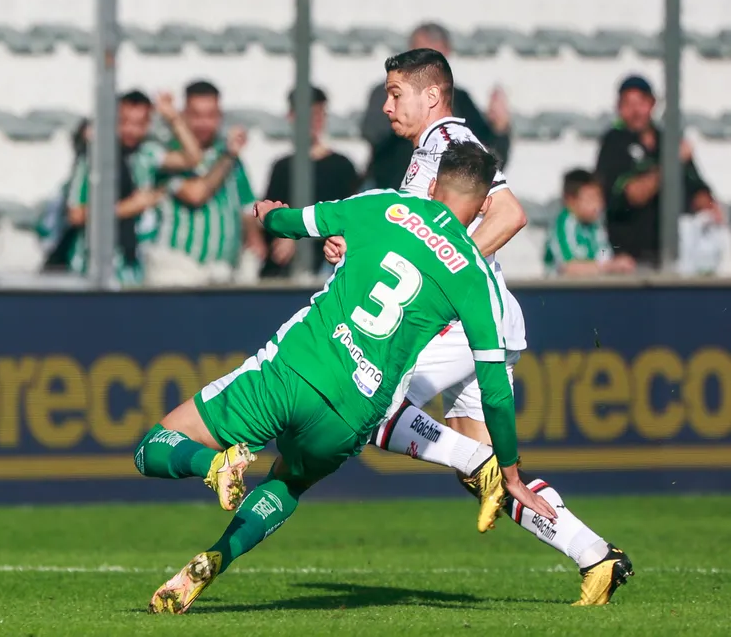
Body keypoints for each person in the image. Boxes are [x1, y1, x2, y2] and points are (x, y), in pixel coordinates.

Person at [134, 142, 556, 615]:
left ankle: (215, 467)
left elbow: (289, 224)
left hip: (296, 369)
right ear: (481, 208)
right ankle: (218, 557)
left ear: (433, 185)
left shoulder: (384, 205)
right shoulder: (478, 279)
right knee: (289, 484)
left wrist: (267, 212)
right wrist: (512, 474)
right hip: (353, 412)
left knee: (154, 446)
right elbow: (496, 392)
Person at [326, 50, 633, 605]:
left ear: (432, 95)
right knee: (484, 475)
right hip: (480, 322)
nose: (386, 105)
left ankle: (491, 471)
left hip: (463, 325)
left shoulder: (449, 143)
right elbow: (420, 235)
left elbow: (509, 213)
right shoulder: (427, 149)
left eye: (396, 93)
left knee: (366, 405)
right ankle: (596, 556)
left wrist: (449, 274)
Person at [36, 90, 203, 284]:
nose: (130, 130)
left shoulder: (146, 155)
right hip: (92, 270)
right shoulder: (94, 158)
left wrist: (173, 118)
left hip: (133, 269)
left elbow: (193, 158)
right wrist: (129, 207)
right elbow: (76, 214)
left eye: (139, 124)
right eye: (124, 122)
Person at [361, 23, 511, 190]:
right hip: (390, 194)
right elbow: (373, 134)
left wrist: (500, 129)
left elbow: (488, 162)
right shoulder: (386, 92)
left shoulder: (459, 99)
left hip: (439, 201)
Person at [145, 81, 263, 287]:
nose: (204, 123)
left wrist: (253, 237)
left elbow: (247, 206)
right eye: (196, 116)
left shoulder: (231, 158)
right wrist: (228, 156)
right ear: (184, 115)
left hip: (223, 272)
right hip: (176, 270)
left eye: (211, 116)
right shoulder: (169, 154)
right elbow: (196, 194)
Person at [596, 75, 721, 268]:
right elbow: (632, 194)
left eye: (641, 103)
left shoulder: (667, 139)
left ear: (652, 103)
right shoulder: (614, 142)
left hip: (676, 255)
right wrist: (670, 164)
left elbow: (697, 187)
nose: (636, 111)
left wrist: (709, 208)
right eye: (628, 104)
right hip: (631, 258)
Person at [261, 86, 359, 277]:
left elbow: (351, 221)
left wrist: (299, 237)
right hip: (283, 271)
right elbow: (270, 220)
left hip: (329, 269)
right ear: (292, 117)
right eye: (308, 115)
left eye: (319, 114)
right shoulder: (282, 168)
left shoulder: (342, 167)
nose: (314, 122)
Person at [544, 169, 637, 276]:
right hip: (559, 290)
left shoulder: (595, 226)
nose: (598, 205)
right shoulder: (562, 225)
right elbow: (569, 267)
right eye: (590, 198)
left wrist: (618, 264)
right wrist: (611, 266)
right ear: (570, 200)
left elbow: (604, 257)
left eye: (599, 198)